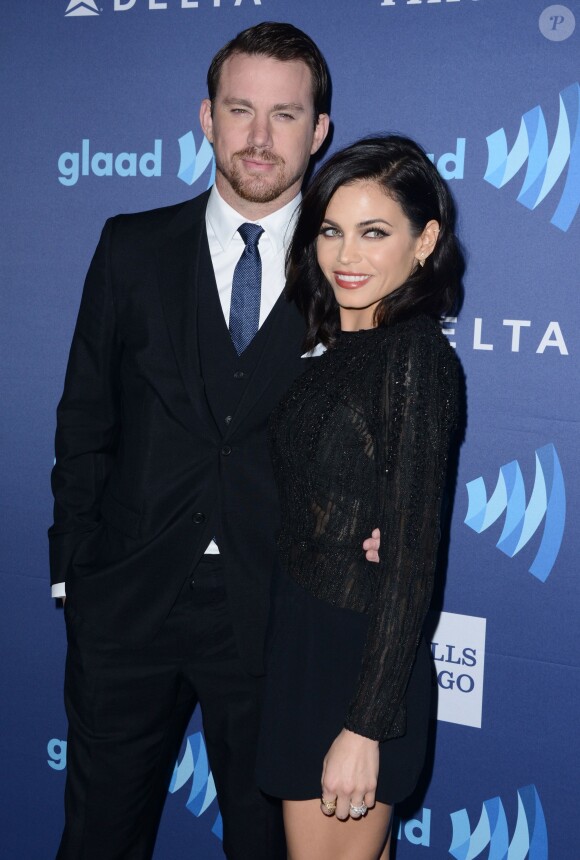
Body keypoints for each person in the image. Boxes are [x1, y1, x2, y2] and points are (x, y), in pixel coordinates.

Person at [48, 22, 381, 860]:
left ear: (320, 130)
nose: (259, 137)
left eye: (284, 114)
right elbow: (85, 420)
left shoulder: (352, 268)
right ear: (206, 118)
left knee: (265, 848)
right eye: (240, 110)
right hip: (126, 609)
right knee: (96, 840)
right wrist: (74, 578)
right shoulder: (131, 247)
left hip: (278, 617)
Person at [255, 135, 464, 860]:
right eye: (332, 230)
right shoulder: (334, 349)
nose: (347, 255)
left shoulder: (413, 357)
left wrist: (367, 726)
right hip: (304, 641)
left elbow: (410, 559)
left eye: (375, 232)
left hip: (355, 663)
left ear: (425, 240)